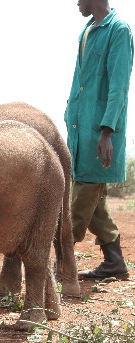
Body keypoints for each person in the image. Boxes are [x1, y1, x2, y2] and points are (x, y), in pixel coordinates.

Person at [64, 0, 133, 280]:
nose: (77, 2)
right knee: (93, 202)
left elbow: (119, 87)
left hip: (98, 133)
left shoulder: (119, 30)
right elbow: (80, 80)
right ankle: (114, 262)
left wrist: (107, 132)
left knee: (79, 204)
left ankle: (60, 264)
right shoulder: (88, 30)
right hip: (80, 128)